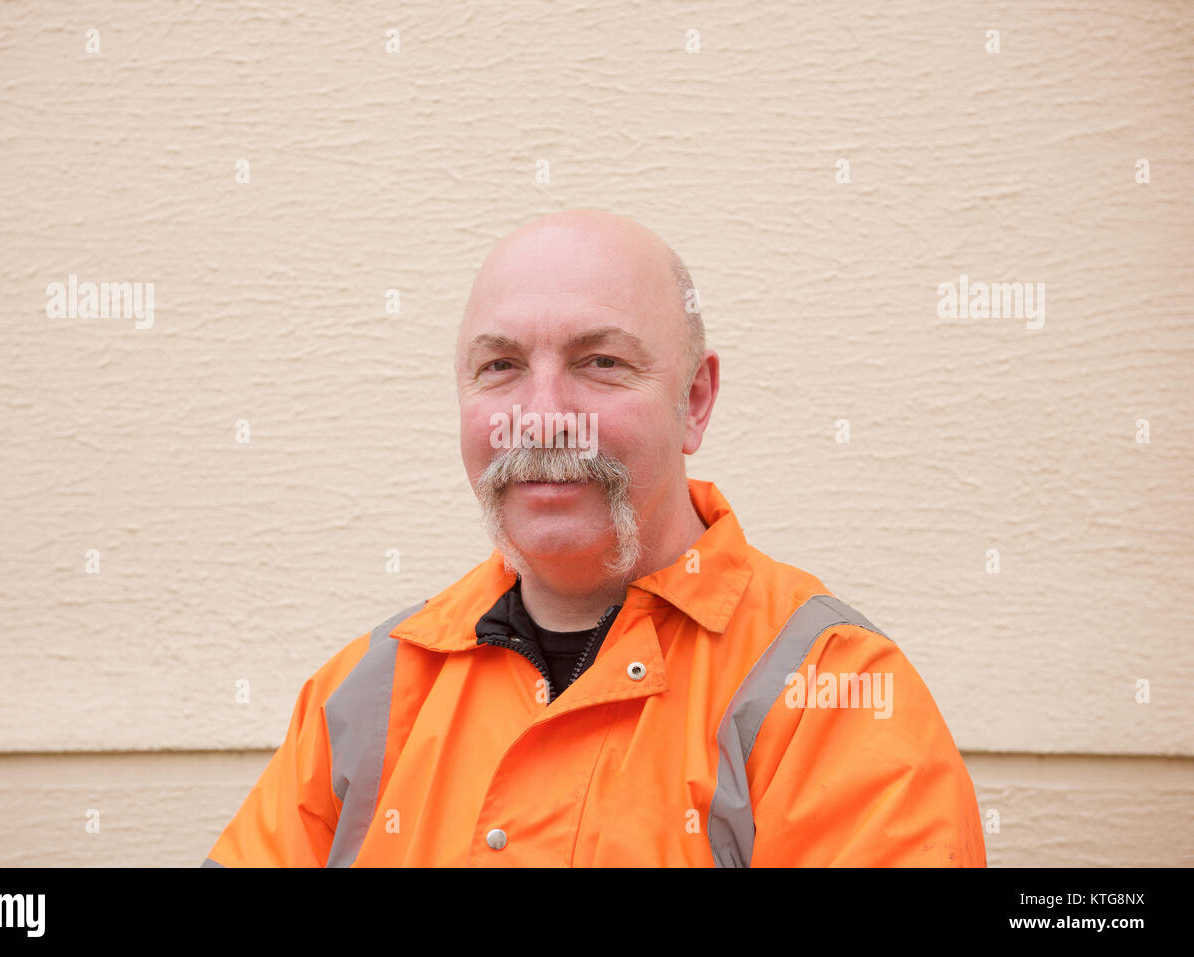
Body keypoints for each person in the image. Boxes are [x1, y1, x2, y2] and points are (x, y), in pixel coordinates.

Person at [203, 209, 986, 867]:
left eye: (601, 361)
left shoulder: (834, 695)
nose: (542, 415)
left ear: (695, 399)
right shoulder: (368, 691)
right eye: (502, 365)